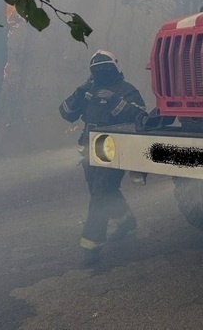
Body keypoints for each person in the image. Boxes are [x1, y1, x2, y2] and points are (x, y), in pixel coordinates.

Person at [59, 50, 148, 266]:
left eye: (105, 69)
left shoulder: (127, 90)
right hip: (89, 147)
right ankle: (126, 221)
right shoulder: (89, 90)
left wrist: (114, 101)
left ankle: (91, 246)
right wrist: (78, 94)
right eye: (97, 70)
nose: (101, 73)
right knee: (100, 189)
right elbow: (66, 113)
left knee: (101, 192)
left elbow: (140, 117)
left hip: (115, 149)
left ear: (115, 68)